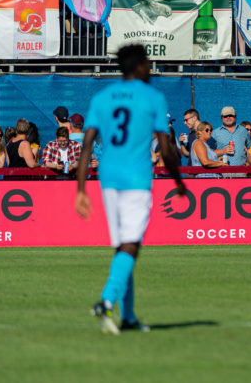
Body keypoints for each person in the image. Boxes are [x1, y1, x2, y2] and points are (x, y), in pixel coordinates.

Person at [76, 44, 186, 334]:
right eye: (148, 63)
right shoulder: (153, 96)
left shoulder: (102, 97)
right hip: (137, 180)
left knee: (124, 247)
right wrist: (179, 181)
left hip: (108, 179)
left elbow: (86, 145)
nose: (150, 68)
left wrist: (80, 190)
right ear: (138, 66)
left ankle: (130, 318)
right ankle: (106, 301)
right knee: (131, 246)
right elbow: (165, 146)